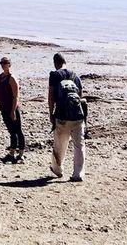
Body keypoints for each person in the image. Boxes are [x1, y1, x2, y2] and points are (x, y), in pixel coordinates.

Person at [48, 51, 86, 181]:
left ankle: (58, 169)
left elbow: (51, 96)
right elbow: (80, 96)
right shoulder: (76, 76)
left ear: (55, 63)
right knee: (79, 145)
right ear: (65, 62)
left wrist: (51, 113)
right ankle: (78, 174)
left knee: (60, 144)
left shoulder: (54, 75)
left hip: (62, 115)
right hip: (77, 116)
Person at [0, 55, 25, 162]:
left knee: (18, 131)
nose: (3, 65)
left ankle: (20, 155)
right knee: (11, 131)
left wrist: (13, 111)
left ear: (9, 64)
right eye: (1, 63)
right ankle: (12, 154)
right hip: (4, 108)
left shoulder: (12, 78)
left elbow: (16, 96)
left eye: (5, 63)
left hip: (13, 108)